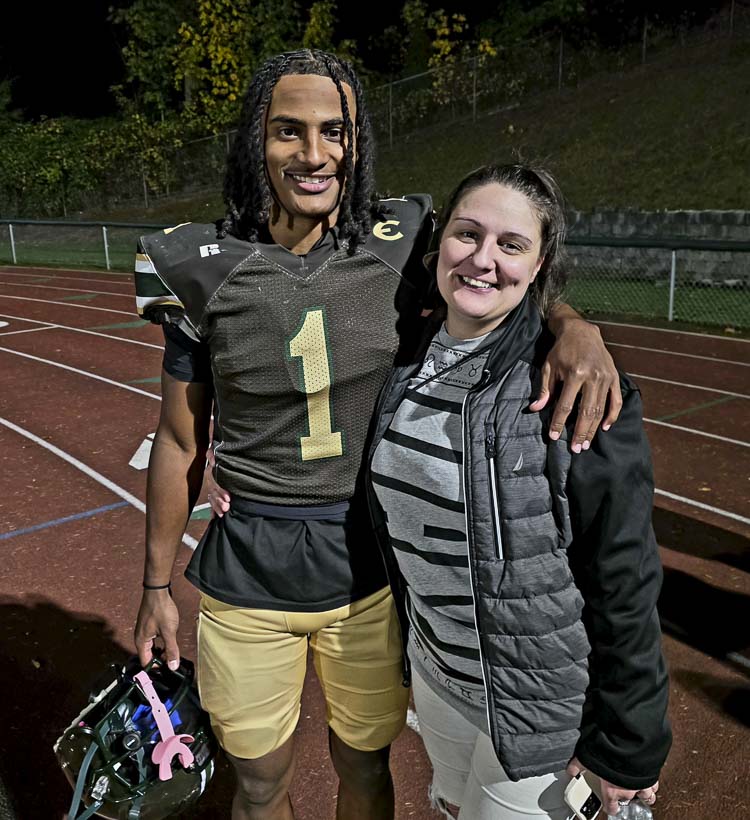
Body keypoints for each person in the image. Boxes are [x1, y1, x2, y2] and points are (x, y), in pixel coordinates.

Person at [132, 50, 622, 820]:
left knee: (366, 767)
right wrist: (157, 585)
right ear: (254, 140)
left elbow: (490, 275)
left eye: (335, 131)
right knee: (258, 784)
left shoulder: (402, 238)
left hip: (369, 568)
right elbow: (178, 440)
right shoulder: (198, 262)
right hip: (248, 570)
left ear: (358, 143)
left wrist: (571, 322)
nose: (314, 153)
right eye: (287, 130)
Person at [364, 163, 672, 819]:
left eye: (511, 245)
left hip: (539, 710)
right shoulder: (403, 348)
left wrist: (628, 743)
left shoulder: (576, 390)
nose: (482, 259)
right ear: (439, 242)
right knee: (449, 804)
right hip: (437, 673)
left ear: (539, 267)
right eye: (467, 234)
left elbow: (625, 577)